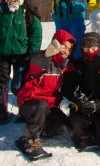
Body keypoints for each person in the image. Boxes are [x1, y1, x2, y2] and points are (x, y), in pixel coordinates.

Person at [16, 30, 76, 159]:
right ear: (56, 43)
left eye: (69, 49)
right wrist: (47, 55)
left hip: (48, 106)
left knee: (65, 130)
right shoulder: (41, 58)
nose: (66, 51)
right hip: (29, 103)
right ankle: (31, 141)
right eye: (64, 46)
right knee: (40, 105)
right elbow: (36, 62)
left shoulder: (64, 66)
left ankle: (42, 127)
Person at [62, 32, 100, 152]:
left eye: (93, 48)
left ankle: (98, 132)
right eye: (86, 48)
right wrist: (78, 99)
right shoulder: (77, 65)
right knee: (77, 121)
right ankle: (84, 136)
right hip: (83, 109)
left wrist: (97, 105)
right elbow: (67, 88)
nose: (90, 52)